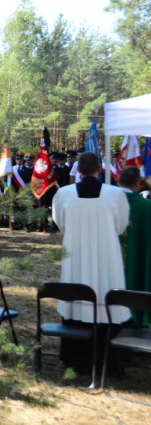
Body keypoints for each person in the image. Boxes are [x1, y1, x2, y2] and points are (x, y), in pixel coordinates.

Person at [52, 151, 130, 368]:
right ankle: (108, 361)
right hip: (107, 256)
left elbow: (61, 224)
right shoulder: (115, 194)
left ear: (77, 170)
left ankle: (75, 358)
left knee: (75, 291)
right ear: (99, 169)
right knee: (106, 292)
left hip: (75, 254)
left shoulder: (64, 194)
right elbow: (120, 226)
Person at [117, 166, 151, 326]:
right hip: (137, 262)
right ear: (138, 183)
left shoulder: (108, 203)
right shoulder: (147, 207)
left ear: (118, 181)